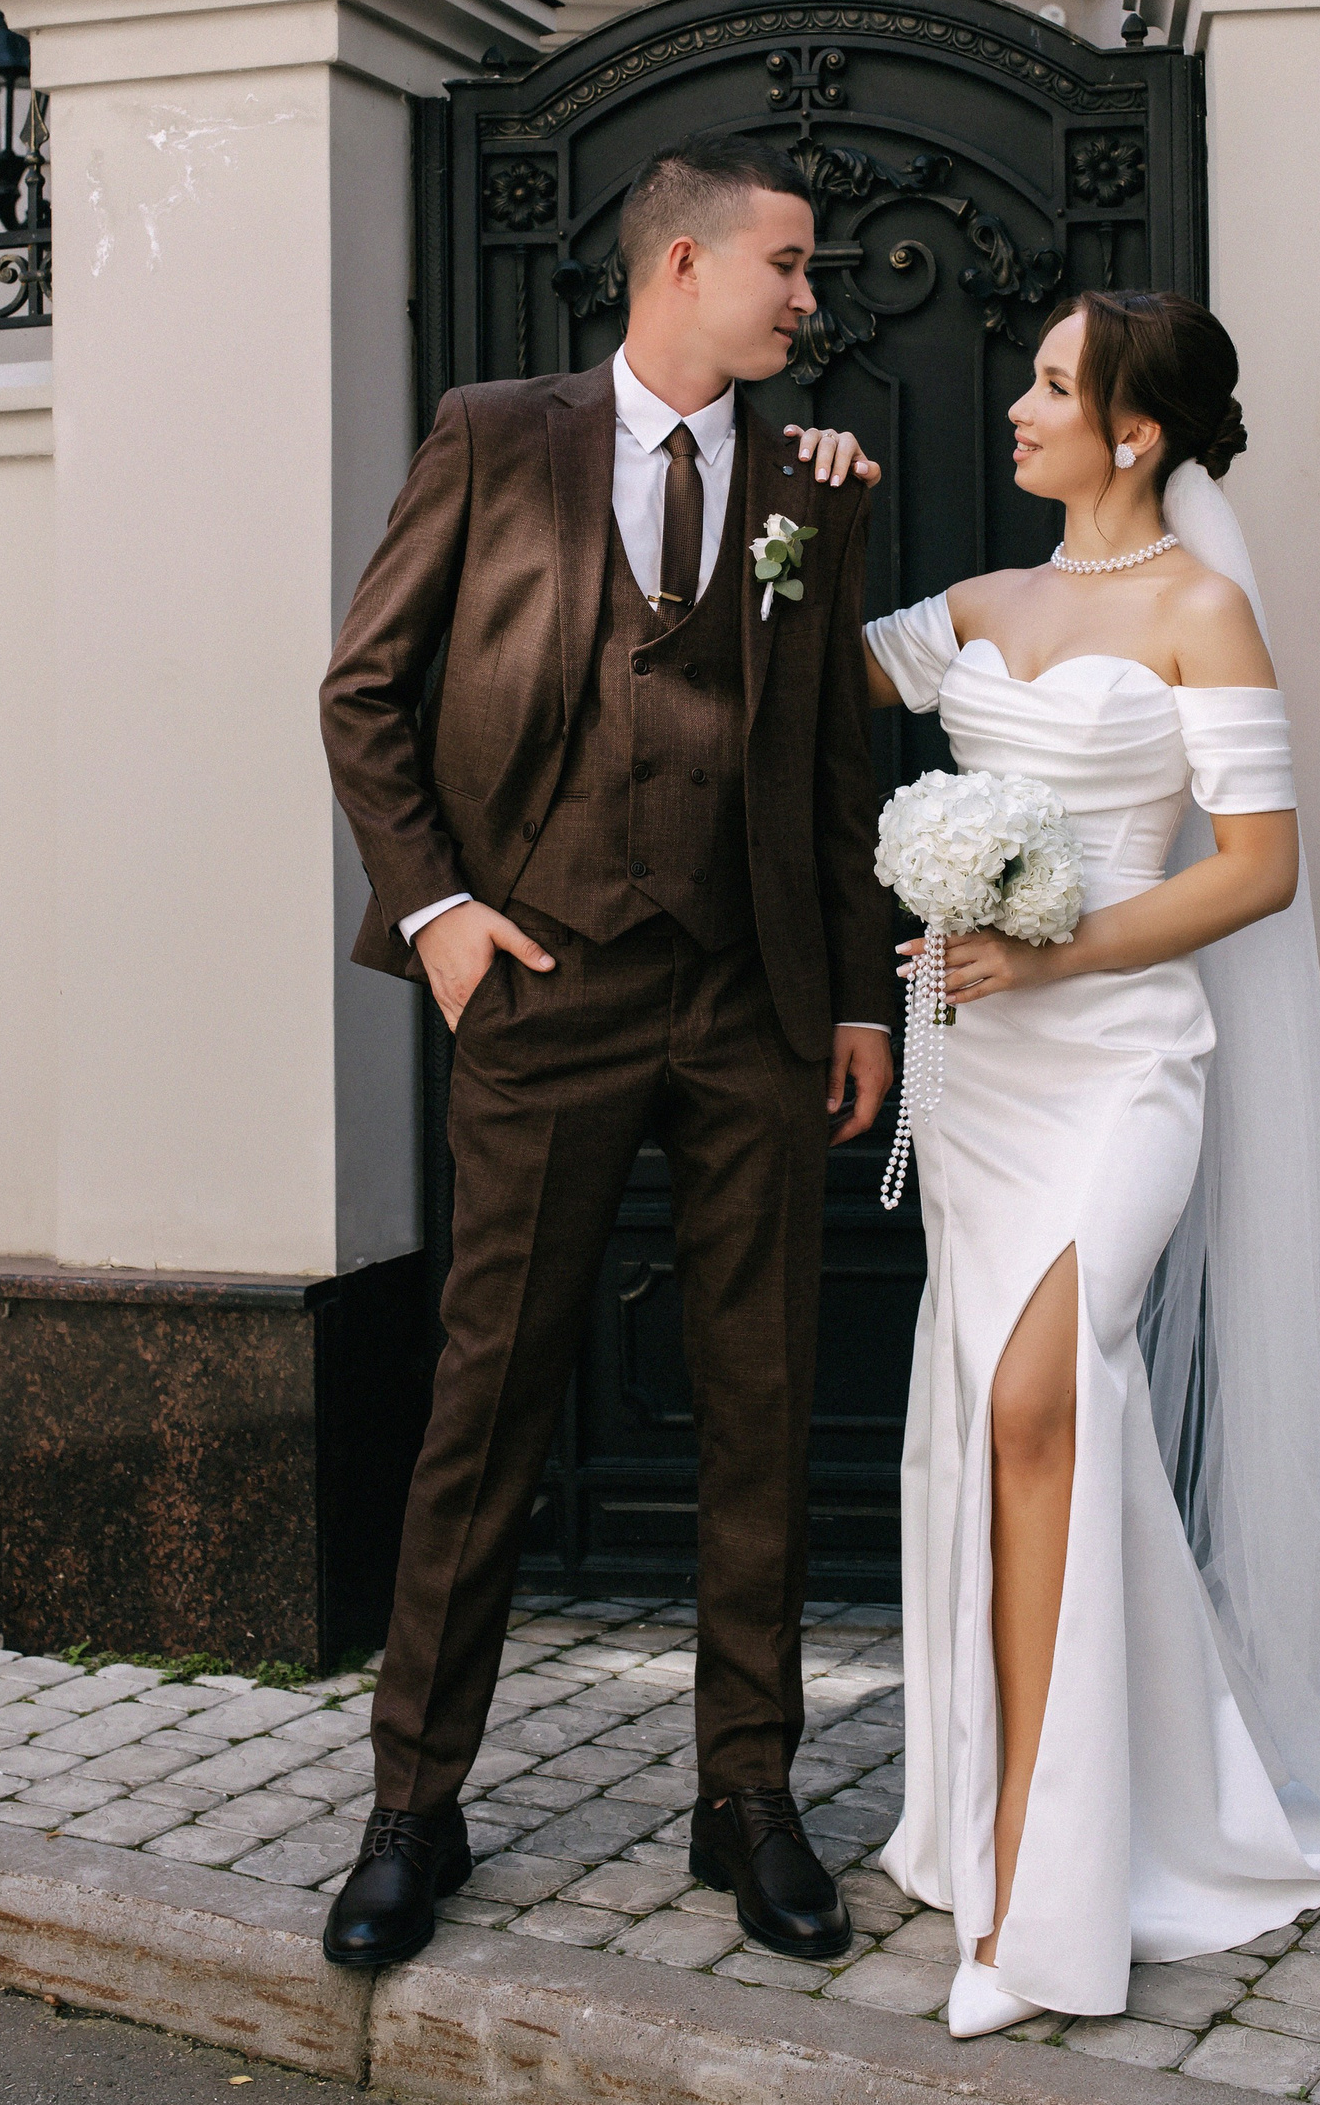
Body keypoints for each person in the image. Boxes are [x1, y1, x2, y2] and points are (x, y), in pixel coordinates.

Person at [318, 131, 896, 1972]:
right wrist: (439, 913)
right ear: (684, 267)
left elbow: (831, 763)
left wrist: (858, 996)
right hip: (543, 990)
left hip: (749, 1001)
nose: (810, 295)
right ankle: (414, 1807)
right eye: (787, 264)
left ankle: (750, 1799)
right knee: (484, 1404)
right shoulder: (498, 437)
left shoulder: (811, 481)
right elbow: (364, 689)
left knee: (761, 1404)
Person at [861, 289, 1320, 2038]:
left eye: (1054, 386)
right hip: (978, 1080)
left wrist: (1054, 949)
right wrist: (797, 499)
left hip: (1122, 1064)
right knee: (1008, 1427)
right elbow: (786, 667)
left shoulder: (1204, 610)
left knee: (1042, 1401)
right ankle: (1011, 1819)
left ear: (1134, 432)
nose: (1020, 406)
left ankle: (1044, 1903)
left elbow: (1259, 867)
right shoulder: (975, 606)